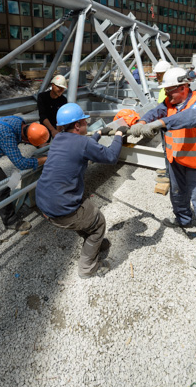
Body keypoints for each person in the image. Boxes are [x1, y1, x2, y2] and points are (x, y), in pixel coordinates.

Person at [130, 67, 196, 271]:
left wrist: (159, 124)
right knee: (177, 195)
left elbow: (190, 118)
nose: (168, 95)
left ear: (184, 87)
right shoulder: (170, 102)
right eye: (167, 91)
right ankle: (184, 220)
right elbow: (157, 111)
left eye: (171, 91)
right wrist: (144, 121)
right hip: (175, 159)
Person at [36, 103, 127, 278]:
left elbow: (82, 146)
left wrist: (98, 134)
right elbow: (111, 157)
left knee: (86, 214)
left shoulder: (59, 139)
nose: (87, 123)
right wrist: (118, 135)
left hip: (44, 204)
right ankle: (87, 269)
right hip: (62, 210)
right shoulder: (82, 142)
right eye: (85, 121)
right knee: (98, 222)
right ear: (77, 125)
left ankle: (95, 241)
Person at [153, 60, 172, 183]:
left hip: (168, 123)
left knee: (170, 149)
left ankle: (170, 175)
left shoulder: (170, 87)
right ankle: (168, 170)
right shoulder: (164, 86)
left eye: (159, 74)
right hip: (163, 122)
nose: (156, 76)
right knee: (165, 148)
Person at [37, 75, 68, 139]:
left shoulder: (63, 100)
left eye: (63, 88)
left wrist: (60, 127)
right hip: (45, 127)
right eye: (59, 87)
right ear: (53, 85)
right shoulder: (43, 97)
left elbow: (63, 116)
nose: (61, 90)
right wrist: (52, 130)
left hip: (58, 128)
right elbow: (43, 116)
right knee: (44, 146)